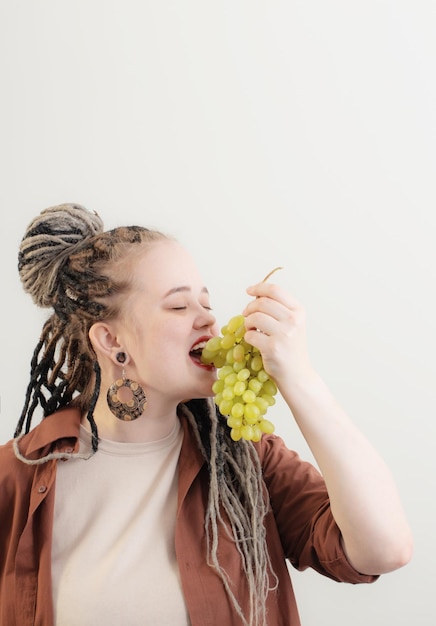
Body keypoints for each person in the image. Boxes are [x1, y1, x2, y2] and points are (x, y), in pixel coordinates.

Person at [0, 203, 412, 626]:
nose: (210, 319)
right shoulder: (16, 475)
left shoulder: (248, 463)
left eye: (206, 302)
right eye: (179, 307)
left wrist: (301, 379)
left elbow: (385, 549)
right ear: (111, 340)